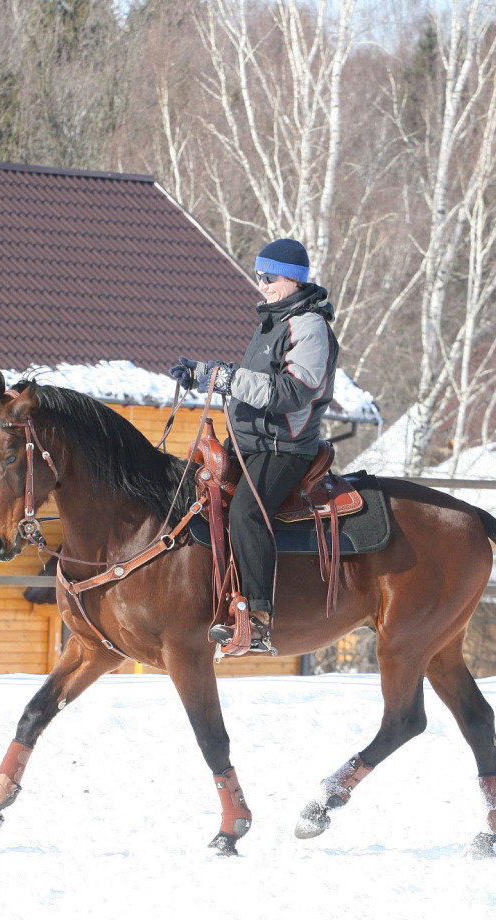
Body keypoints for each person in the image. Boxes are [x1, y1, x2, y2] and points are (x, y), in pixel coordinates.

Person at [170, 238, 339, 653]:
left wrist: (224, 378)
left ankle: (259, 619)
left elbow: (292, 391)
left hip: (284, 449)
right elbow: (249, 382)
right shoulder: (273, 323)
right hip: (250, 443)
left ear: (293, 280)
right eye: (260, 276)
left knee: (247, 512)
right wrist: (204, 374)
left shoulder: (310, 327)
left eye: (269, 277)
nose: (261, 284)